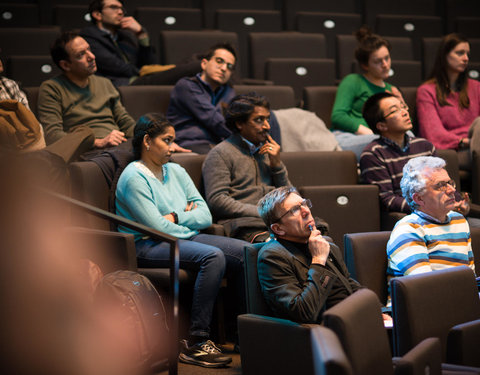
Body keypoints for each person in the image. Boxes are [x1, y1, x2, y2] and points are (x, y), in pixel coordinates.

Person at [115, 112, 249, 368]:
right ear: (146, 141)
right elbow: (155, 227)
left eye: (173, 140)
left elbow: (205, 214)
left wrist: (176, 216)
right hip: (145, 244)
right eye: (167, 140)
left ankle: (243, 333)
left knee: (245, 252)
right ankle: (196, 342)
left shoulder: (176, 169)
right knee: (212, 256)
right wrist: (186, 219)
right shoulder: (134, 177)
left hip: (182, 237)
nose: (173, 147)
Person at [257, 187, 369, 323]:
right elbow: (302, 312)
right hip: (320, 334)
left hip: (351, 321)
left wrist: (376, 311)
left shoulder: (326, 245)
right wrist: (318, 260)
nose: (306, 211)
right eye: (294, 210)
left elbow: (348, 285)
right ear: (278, 229)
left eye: (303, 204)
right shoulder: (272, 257)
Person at [202, 93, 290, 242]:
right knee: (281, 247)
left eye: (268, 119)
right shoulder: (220, 154)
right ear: (239, 124)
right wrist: (262, 212)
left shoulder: (268, 151)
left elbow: (289, 195)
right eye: (259, 120)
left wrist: (277, 165)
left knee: (319, 236)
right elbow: (217, 200)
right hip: (245, 224)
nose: (267, 126)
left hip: (274, 221)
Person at [166, 43, 281, 154]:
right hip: (192, 142)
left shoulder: (228, 90)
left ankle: (273, 155)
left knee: (267, 115)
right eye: (219, 61)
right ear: (204, 64)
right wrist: (248, 138)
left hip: (219, 142)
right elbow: (214, 120)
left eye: (229, 66)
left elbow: (234, 117)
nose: (224, 68)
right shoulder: (187, 86)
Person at [38, 31, 135, 151]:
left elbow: (124, 120)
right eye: (81, 55)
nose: (92, 57)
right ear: (65, 65)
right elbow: (53, 135)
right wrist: (97, 142)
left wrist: (147, 137)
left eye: (89, 49)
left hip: (117, 145)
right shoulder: (52, 88)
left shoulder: (104, 83)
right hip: (86, 152)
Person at [386, 156, 475, 278]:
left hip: (458, 294)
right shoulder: (408, 229)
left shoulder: (458, 220)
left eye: (450, 183)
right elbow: (426, 287)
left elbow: (470, 276)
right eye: (441, 186)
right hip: (426, 296)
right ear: (419, 198)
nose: (452, 190)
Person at [81, 0, 201, 87]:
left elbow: (150, 63)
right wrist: (147, 71)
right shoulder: (88, 37)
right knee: (195, 67)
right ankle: (204, 61)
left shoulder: (126, 36)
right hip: (121, 84)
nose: (120, 12)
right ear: (97, 15)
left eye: (122, 9)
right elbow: (115, 66)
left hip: (140, 78)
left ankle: (206, 58)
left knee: (190, 65)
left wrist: (141, 35)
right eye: (113, 7)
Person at [331, 26, 405, 160]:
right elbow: (338, 116)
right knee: (386, 142)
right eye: (378, 61)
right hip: (348, 136)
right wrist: (369, 132)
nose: (385, 65)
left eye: (387, 58)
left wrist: (403, 106)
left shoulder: (391, 89)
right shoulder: (353, 81)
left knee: (410, 138)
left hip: (381, 137)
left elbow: (404, 125)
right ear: (365, 65)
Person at [360, 92, 436, 214]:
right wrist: (426, 207)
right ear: (382, 125)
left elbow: (442, 184)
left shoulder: (425, 146)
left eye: (403, 106)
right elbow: (387, 199)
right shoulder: (373, 154)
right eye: (395, 110)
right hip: (412, 219)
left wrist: (456, 203)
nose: (405, 112)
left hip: (438, 210)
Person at [417, 33, 480, 152]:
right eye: (460, 53)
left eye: (467, 54)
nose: (466, 58)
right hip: (453, 149)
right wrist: (465, 142)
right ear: (445, 55)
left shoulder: (476, 87)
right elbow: (433, 133)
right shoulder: (426, 91)